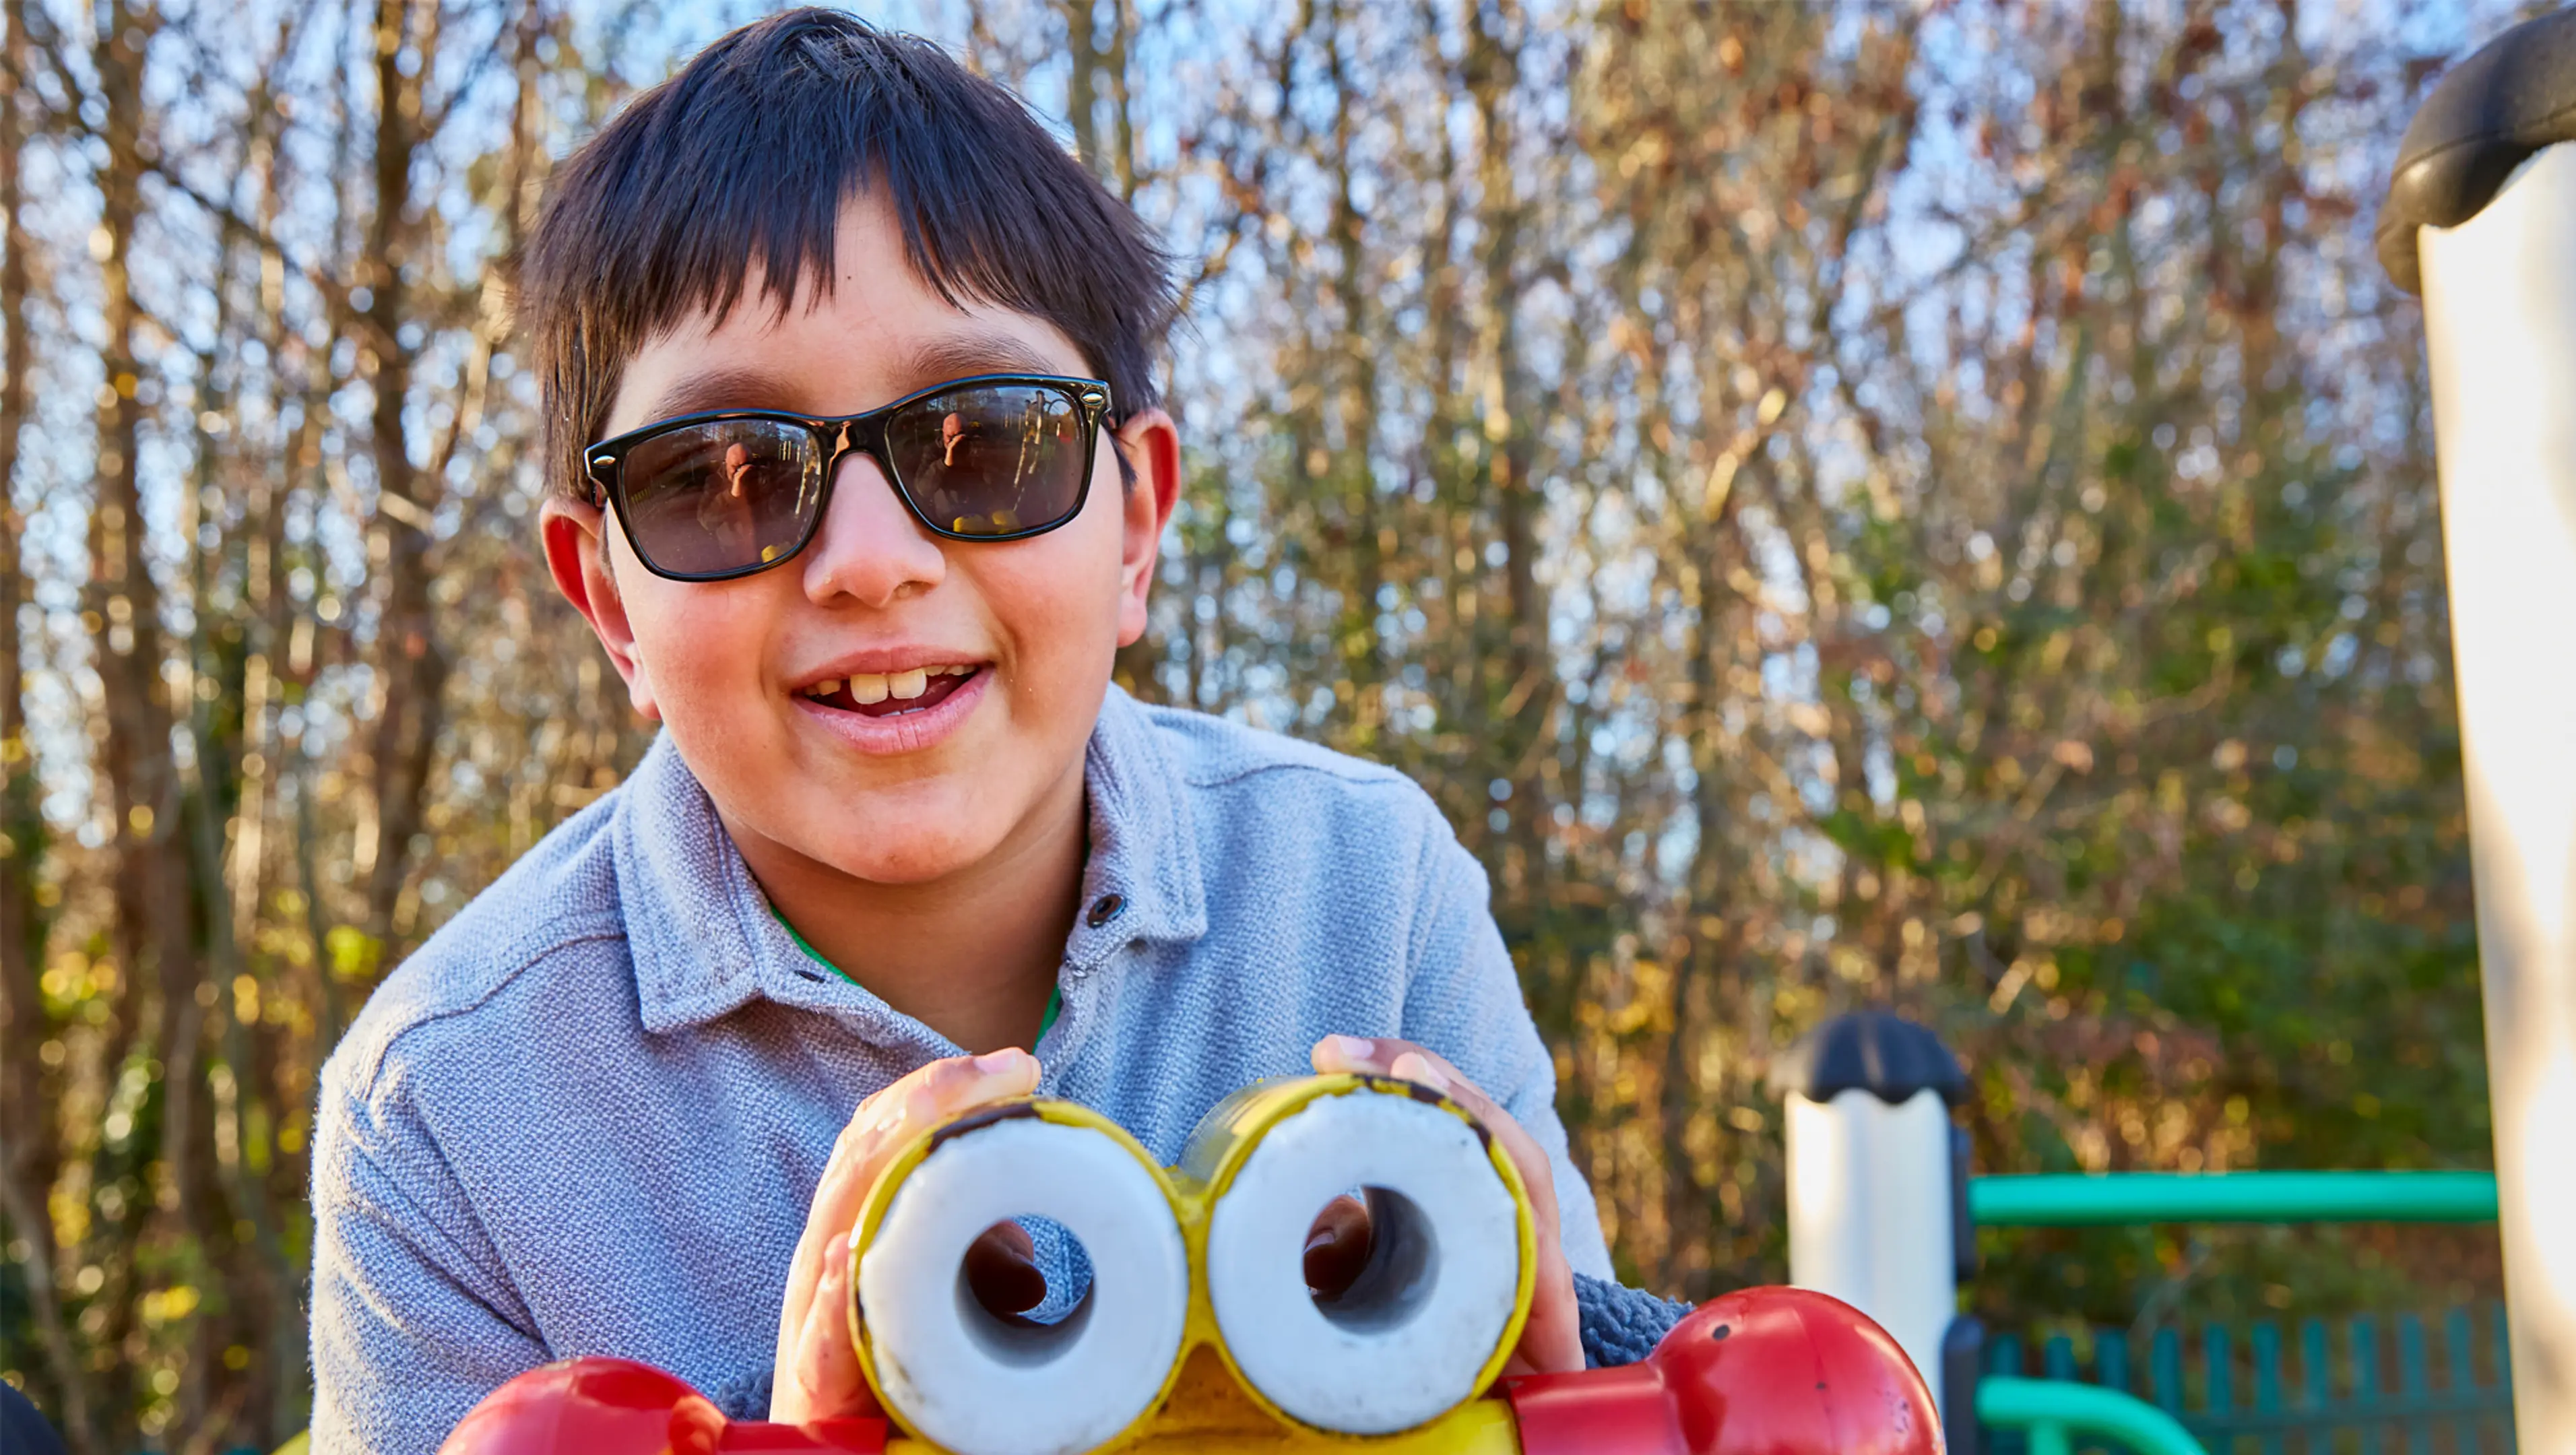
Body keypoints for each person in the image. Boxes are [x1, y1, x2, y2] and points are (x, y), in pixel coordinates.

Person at [307, 11, 1685, 1452]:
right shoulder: (449, 1116)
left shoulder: (1368, 891)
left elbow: (1577, 1370)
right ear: (609, 605)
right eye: (721, 477)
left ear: (1138, 527)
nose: (869, 562)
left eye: (984, 442)